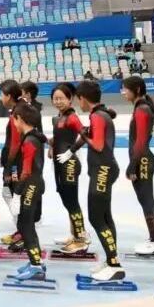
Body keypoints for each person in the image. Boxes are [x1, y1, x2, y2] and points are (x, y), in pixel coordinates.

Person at [58, 80, 124, 282]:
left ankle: (115, 265)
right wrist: (76, 144)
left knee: (96, 218)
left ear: (82, 98)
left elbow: (98, 145)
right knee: (105, 217)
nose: (79, 104)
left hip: (102, 170)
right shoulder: (100, 114)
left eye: (78, 100)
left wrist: (83, 134)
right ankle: (111, 260)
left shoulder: (97, 116)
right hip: (103, 169)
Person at [122, 76, 154, 256]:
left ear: (137, 89)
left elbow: (140, 141)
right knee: (144, 200)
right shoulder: (141, 107)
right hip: (142, 159)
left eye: (125, 89)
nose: (123, 92)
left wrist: (132, 165)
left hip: (143, 160)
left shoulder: (142, 109)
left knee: (147, 200)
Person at [11, 103, 50, 282]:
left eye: (14, 120)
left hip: (31, 185)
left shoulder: (29, 141)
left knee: (25, 224)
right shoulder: (34, 136)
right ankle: (36, 261)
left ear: (20, 119)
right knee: (26, 224)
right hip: (35, 183)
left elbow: (26, 171)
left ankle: (36, 266)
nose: (14, 124)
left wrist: (17, 194)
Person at [48, 83, 88, 253]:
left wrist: (71, 151)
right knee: (67, 200)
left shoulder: (71, 117)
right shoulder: (59, 117)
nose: (58, 102)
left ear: (70, 98)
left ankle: (81, 239)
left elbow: (86, 134)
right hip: (59, 164)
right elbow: (60, 137)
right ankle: (75, 234)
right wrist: (52, 146)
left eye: (61, 98)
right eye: (55, 99)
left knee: (72, 202)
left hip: (69, 164)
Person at [0, 80, 24, 247]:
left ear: (8, 96)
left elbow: (15, 143)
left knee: (11, 195)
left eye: (2, 94)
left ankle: (23, 232)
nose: (0, 98)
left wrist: (8, 168)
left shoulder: (17, 113)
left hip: (16, 163)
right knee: (11, 195)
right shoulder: (19, 109)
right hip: (17, 162)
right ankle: (21, 230)